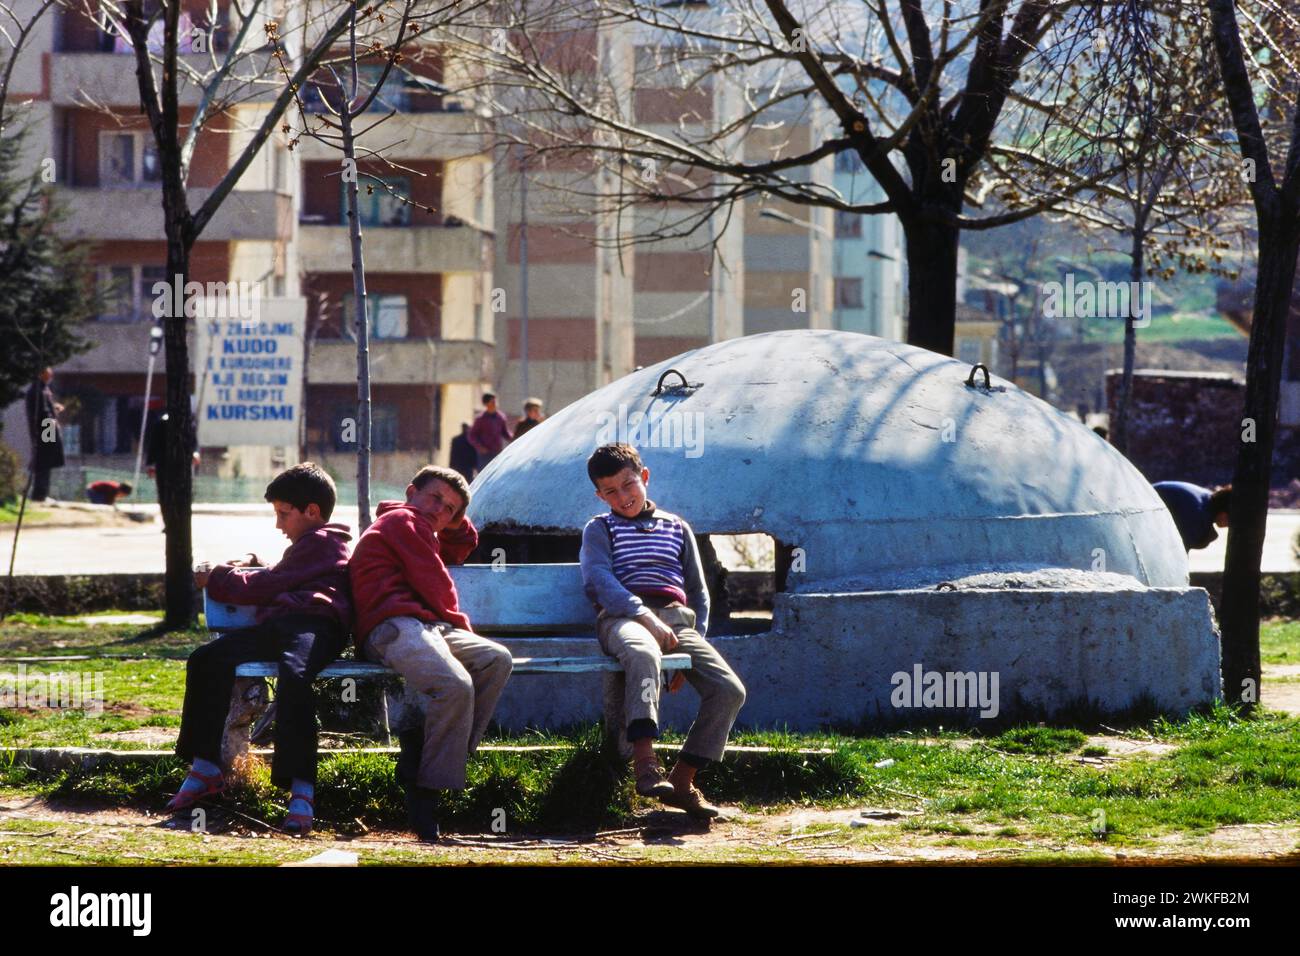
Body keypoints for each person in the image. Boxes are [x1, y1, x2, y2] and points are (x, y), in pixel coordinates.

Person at [167, 463, 353, 836]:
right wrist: (257, 567)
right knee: (207, 659)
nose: (278, 525)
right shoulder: (307, 547)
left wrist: (219, 576)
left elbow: (269, 585)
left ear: (312, 512)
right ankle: (206, 765)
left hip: (315, 626)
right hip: (283, 626)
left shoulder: (326, 542)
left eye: (284, 514)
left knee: (294, 676)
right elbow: (281, 578)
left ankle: (302, 790)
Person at [579, 443, 746, 820]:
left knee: (729, 690)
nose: (623, 497)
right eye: (610, 491)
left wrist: (690, 648)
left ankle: (683, 781)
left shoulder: (676, 527)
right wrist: (644, 617)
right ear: (599, 495)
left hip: (675, 623)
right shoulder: (599, 529)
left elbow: (698, 592)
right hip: (621, 619)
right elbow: (598, 580)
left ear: (645, 477)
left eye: (629, 485)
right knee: (643, 652)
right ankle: (645, 763)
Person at [348, 465, 513, 841]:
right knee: (455, 686)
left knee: (495, 659)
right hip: (391, 626)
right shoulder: (402, 521)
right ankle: (426, 793)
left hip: (427, 626)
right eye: (435, 497)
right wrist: (462, 624)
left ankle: (427, 754)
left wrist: (452, 520)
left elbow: (459, 546)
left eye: (451, 508)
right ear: (410, 492)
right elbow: (436, 584)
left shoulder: (423, 528)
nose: (441, 510)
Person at [1153, 481, 1231, 551]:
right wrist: (1205, 537)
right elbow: (1178, 551)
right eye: (1231, 521)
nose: (1229, 526)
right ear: (1224, 514)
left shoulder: (1206, 497)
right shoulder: (1198, 514)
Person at [25, 367, 65, 503]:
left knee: (46, 460)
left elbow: (47, 408)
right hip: (45, 428)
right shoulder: (38, 390)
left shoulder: (42, 389)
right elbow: (42, 412)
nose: (51, 376)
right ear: (41, 374)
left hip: (45, 426)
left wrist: (54, 409)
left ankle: (42, 493)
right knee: (44, 460)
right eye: (48, 373)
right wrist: (52, 423)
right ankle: (40, 494)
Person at [467, 392, 512, 471]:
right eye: (493, 402)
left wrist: (515, 437)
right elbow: (472, 436)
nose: (495, 404)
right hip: (485, 454)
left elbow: (505, 433)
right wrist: (480, 447)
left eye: (495, 402)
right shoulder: (480, 419)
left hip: (497, 453)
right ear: (486, 404)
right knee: (484, 473)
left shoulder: (500, 417)